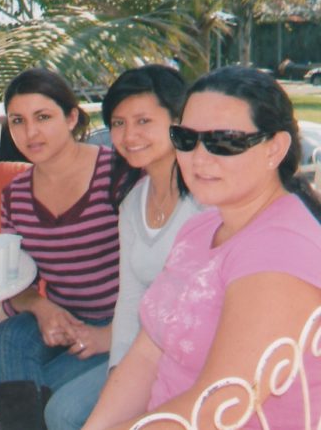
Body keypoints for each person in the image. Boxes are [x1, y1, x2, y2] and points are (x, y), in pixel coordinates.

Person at [83, 66, 321, 430]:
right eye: (186, 138)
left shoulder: (280, 253)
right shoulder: (202, 227)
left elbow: (217, 407)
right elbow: (148, 352)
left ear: (274, 148)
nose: (199, 157)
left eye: (224, 141)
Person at [45, 65, 200, 430]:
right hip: (142, 352)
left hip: (194, 359)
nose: (129, 135)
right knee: (53, 400)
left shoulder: (205, 199)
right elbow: (130, 299)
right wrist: (117, 373)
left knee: (66, 413)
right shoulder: (132, 203)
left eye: (144, 121)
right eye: (118, 123)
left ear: (178, 121)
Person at [0, 68, 128, 430]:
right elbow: (13, 281)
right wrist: (42, 308)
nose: (30, 133)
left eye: (43, 117)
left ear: (71, 118)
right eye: (18, 121)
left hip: (124, 324)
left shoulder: (117, 174)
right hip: (62, 320)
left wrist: (115, 330)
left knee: (38, 397)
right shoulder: (15, 195)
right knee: (6, 338)